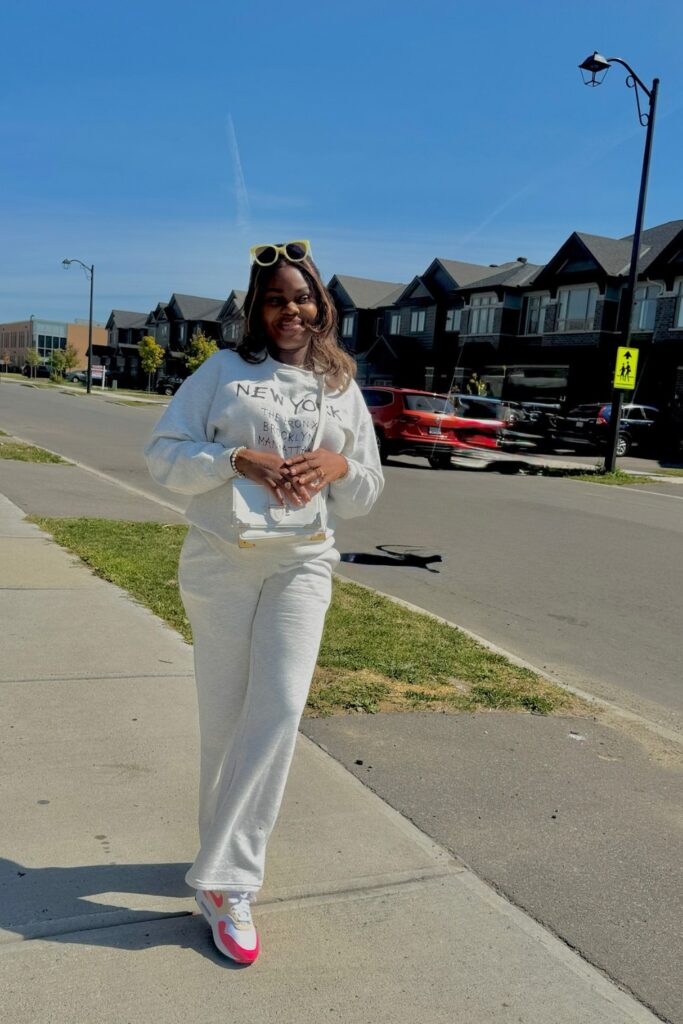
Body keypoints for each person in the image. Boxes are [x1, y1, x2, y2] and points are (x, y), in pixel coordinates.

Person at [144, 240, 384, 963]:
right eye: (275, 299)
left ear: (322, 305)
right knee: (224, 719)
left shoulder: (340, 384)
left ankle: (231, 881)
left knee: (278, 708)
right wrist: (233, 459)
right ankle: (216, 861)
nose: (290, 311)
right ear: (257, 309)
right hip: (221, 561)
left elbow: (367, 489)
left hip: (302, 563)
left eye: (302, 297)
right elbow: (162, 456)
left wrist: (339, 464)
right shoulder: (222, 371)